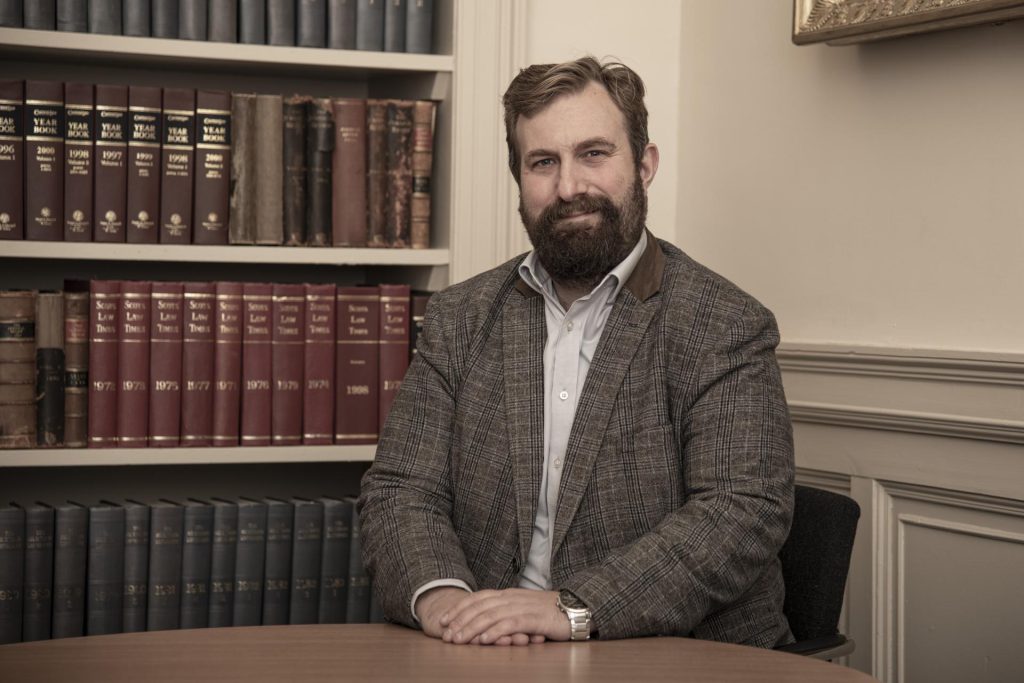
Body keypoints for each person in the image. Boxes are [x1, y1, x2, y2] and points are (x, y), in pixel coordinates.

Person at [358, 56, 795, 648]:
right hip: (489, 650)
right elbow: (402, 487)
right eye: (543, 162)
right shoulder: (460, 317)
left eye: (594, 154)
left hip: (673, 654)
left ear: (644, 165)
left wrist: (570, 609)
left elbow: (741, 511)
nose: (569, 188)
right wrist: (443, 599)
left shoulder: (723, 323)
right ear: (520, 180)